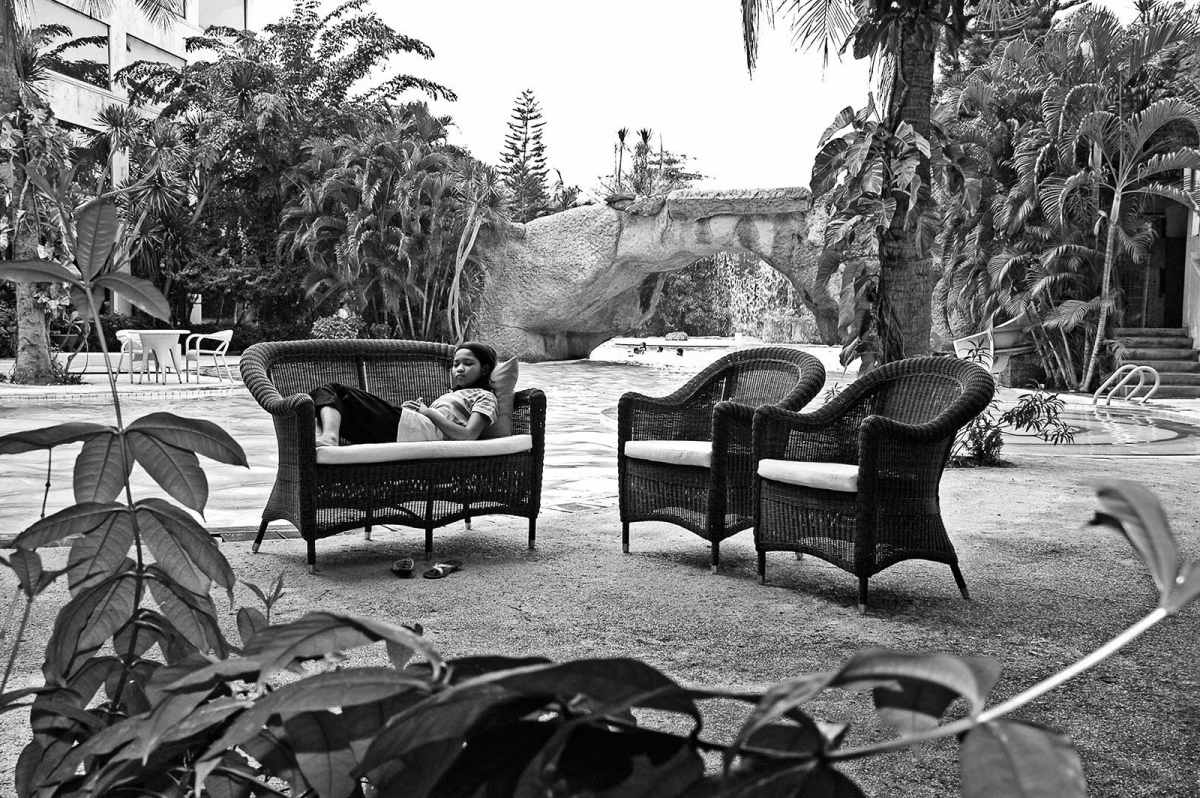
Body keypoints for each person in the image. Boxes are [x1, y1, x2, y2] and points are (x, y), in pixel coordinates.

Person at [310, 341, 499, 447]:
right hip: (412, 429)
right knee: (322, 397)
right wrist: (416, 410)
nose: (459, 369)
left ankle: (328, 438)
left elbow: (468, 435)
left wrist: (428, 413)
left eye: (468, 363)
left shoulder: (485, 396)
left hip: (420, 432)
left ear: (485, 369)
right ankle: (323, 439)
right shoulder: (452, 394)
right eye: (456, 364)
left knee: (335, 391)